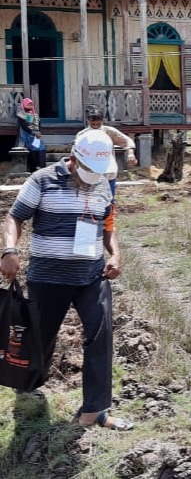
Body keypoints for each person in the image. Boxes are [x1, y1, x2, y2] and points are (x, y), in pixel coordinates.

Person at [0, 129, 134, 431]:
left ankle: (95, 411)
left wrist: (115, 254)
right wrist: (9, 250)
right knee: (41, 337)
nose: (93, 176)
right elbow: (15, 217)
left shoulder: (102, 183)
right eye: (88, 169)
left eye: (98, 171)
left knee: (100, 337)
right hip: (48, 278)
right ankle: (29, 387)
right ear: (74, 159)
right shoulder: (42, 180)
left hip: (92, 276)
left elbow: (108, 224)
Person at [76, 105, 137, 196]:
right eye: (93, 124)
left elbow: (127, 141)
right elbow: (76, 154)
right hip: (89, 175)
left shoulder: (109, 132)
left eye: (98, 124)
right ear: (88, 121)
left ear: (102, 121)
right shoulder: (82, 135)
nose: (96, 127)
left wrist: (130, 153)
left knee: (109, 201)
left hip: (108, 173)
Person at [16, 97, 46, 172]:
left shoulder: (34, 115)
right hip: (27, 134)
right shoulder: (22, 115)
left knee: (40, 146)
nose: (30, 106)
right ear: (24, 105)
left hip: (35, 135)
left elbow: (37, 125)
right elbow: (25, 126)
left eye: (31, 104)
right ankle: (36, 167)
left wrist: (38, 132)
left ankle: (41, 166)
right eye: (28, 104)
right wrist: (33, 132)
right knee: (34, 147)